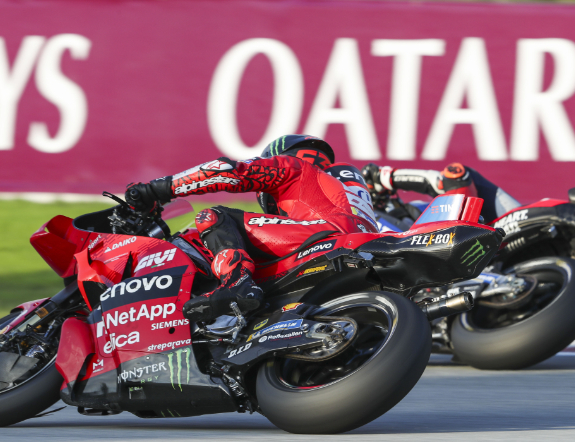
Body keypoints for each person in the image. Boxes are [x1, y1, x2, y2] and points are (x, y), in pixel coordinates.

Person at [125, 135, 378, 323]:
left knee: (213, 216)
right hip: (358, 250)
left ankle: (236, 283)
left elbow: (228, 171)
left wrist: (156, 189)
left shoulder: (295, 168)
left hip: (320, 235)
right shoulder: (347, 191)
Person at [361, 162, 521, 223]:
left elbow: (457, 176)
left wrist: (384, 177)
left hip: (507, 222)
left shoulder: (414, 209)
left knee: (457, 175)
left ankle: (384, 176)